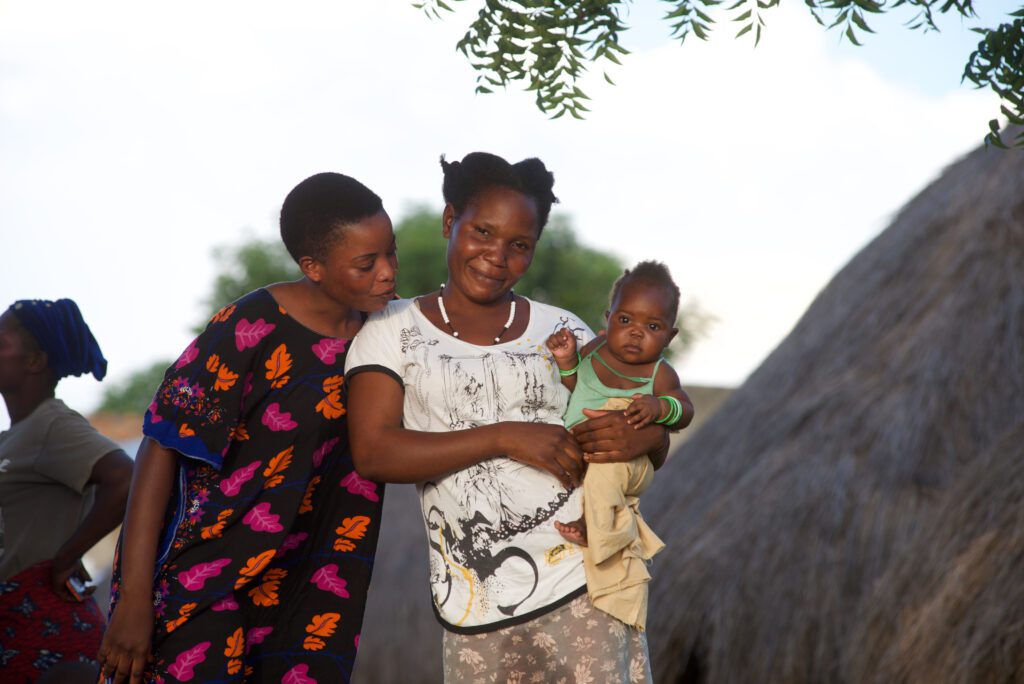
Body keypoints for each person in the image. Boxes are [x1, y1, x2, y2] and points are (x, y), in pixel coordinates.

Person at [346, 152, 670, 683]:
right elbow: (374, 452)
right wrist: (505, 437)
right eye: (482, 232)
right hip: (476, 595)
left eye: (520, 245)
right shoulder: (391, 329)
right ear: (450, 221)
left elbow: (645, 436)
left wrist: (646, 437)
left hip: (587, 579)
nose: (496, 256)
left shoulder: (564, 330)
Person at [98, 172, 398, 683]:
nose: (388, 273)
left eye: (391, 253)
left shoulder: (390, 335)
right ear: (313, 267)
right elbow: (160, 448)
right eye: (366, 264)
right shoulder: (249, 328)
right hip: (203, 586)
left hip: (311, 593)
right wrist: (132, 599)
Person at [546, 260, 694, 630]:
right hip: (587, 449)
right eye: (625, 320)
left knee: (604, 476)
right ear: (608, 318)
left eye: (653, 327)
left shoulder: (659, 374)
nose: (635, 333)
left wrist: (659, 407)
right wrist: (567, 361)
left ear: (670, 336)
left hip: (628, 461)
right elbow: (575, 386)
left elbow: (685, 410)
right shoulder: (595, 350)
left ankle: (594, 527)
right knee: (588, 472)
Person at [0, 298, 134, 682]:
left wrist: (67, 557)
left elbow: (125, 478)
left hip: (45, 627)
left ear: (34, 361)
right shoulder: (15, 436)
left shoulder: (51, 424)